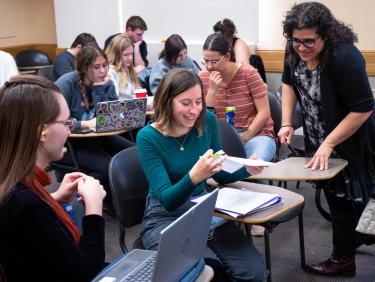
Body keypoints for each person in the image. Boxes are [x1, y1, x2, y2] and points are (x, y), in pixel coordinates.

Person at [136, 68, 268, 282]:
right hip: (164, 217)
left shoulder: (206, 119)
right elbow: (168, 200)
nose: (194, 110)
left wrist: (247, 169)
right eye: (185, 103)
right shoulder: (148, 137)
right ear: (167, 101)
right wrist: (195, 177)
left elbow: (221, 172)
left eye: (198, 101)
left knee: (254, 273)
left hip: (202, 208)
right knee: (204, 274)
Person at [279, 2, 375, 276]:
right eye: (296, 40)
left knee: (349, 194)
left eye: (309, 41)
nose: (301, 47)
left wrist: (330, 142)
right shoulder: (295, 47)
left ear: (326, 35)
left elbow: (363, 108)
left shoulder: (345, 57)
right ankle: (354, 238)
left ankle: (343, 258)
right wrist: (287, 122)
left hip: (351, 135)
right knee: (334, 193)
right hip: (317, 132)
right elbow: (287, 82)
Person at [0, 75, 107, 281]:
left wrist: (53, 199)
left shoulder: (15, 186)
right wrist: (94, 209)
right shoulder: (25, 204)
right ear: (41, 132)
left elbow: (27, 222)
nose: (69, 130)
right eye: (66, 122)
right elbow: (84, 272)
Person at [55, 44, 134, 214]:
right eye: (96, 67)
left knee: (133, 153)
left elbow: (109, 118)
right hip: (69, 143)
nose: (103, 70)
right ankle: (108, 204)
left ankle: (125, 200)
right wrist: (85, 124)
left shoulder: (106, 82)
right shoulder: (67, 83)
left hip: (98, 137)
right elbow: (53, 122)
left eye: (105, 65)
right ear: (84, 68)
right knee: (107, 165)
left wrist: (100, 90)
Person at [199, 33, 276, 162]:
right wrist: (212, 91)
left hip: (255, 135)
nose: (209, 66)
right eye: (205, 61)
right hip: (221, 139)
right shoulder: (203, 77)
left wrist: (244, 138)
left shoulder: (248, 74)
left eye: (214, 61)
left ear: (228, 56)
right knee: (210, 166)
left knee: (253, 164)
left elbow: (264, 112)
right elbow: (205, 118)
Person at [105, 34, 141, 99]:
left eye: (131, 54)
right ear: (116, 55)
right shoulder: (110, 71)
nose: (130, 58)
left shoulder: (127, 68)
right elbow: (115, 100)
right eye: (126, 55)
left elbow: (135, 93)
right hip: (122, 108)